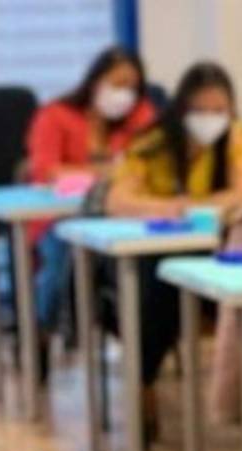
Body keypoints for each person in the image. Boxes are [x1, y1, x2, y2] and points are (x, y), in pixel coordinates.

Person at [105, 61, 242, 442]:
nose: (210, 119)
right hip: (157, 251)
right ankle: (143, 382)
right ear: (181, 110)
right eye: (200, 110)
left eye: (219, 111)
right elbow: (118, 200)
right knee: (156, 286)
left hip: (213, 249)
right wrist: (167, 207)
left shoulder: (234, 137)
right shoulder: (151, 142)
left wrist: (195, 206)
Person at [27, 46, 156, 370]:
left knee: (142, 271)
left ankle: (141, 355)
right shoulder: (55, 115)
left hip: (119, 217)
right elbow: (47, 171)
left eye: (132, 87)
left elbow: (150, 167)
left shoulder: (140, 117)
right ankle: (44, 329)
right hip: (59, 218)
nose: (124, 94)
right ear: (95, 80)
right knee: (60, 264)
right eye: (117, 83)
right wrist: (107, 172)